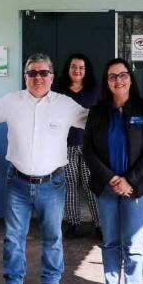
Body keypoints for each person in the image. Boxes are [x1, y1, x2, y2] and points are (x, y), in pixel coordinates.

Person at [0, 53, 88, 284]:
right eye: (32, 73)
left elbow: (93, 121)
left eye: (43, 73)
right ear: (25, 76)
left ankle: (52, 282)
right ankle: (13, 283)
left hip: (52, 184)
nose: (38, 78)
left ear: (52, 77)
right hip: (18, 183)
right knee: (14, 237)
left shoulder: (65, 104)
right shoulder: (12, 101)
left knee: (53, 236)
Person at [83, 59, 143, 284]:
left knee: (133, 243)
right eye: (112, 76)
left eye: (123, 75)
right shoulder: (97, 111)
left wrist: (130, 180)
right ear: (106, 82)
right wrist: (112, 179)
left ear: (130, 78)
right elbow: (89, 150)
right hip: (107, 187)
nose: (118, 80)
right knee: (110, 241)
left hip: (137, 188)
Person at [54, 53, 101, 237]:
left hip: (89, 146)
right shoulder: (58, 90)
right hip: (65, 146)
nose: (77, 70)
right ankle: (73, 223)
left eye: (81, 67)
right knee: (70, 184)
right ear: (68, 68)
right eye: (73, 67)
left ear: (86, 70)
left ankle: (99, 224)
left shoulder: (95, 90)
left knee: (91, 185)